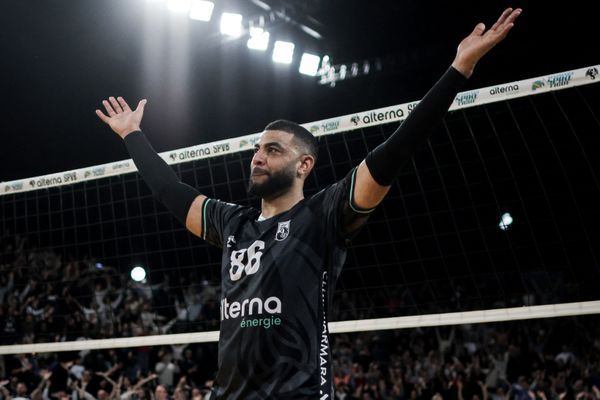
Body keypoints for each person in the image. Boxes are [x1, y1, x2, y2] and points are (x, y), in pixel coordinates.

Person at [95, 7, 521, 399]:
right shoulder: (233, 223)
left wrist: (458, 69)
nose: (258, 156)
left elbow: (395, 152)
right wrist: (133, 135)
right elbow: (171, 192)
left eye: (273, 149)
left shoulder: (323, 215)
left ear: (304, 165)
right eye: (257, 148)